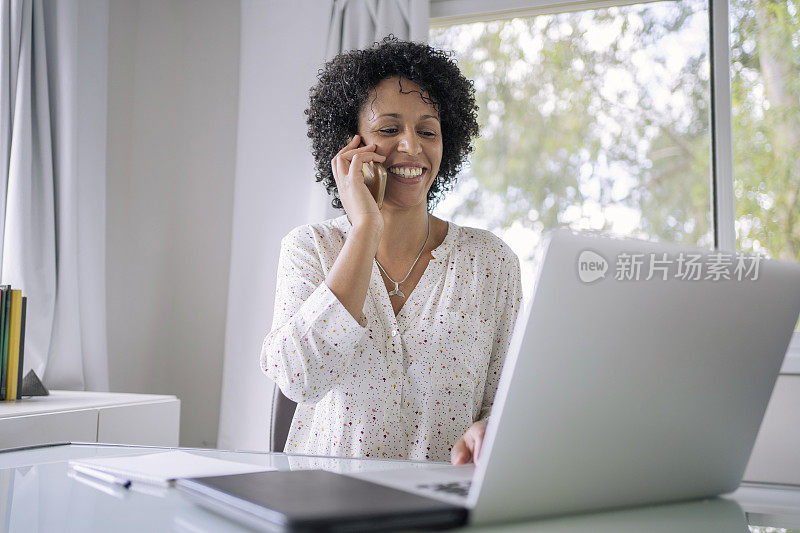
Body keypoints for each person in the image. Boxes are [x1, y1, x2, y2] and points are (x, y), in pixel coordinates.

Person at [260, 37, 522, 465]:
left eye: (427, 131)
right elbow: (296, 376)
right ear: (350, 145)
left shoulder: (491, 262)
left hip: (443, 507)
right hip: (325, 504)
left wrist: (491, 429)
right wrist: (364, 228)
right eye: (388, 129)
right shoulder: (310, 248)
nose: (411, 147)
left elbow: (510, 401)